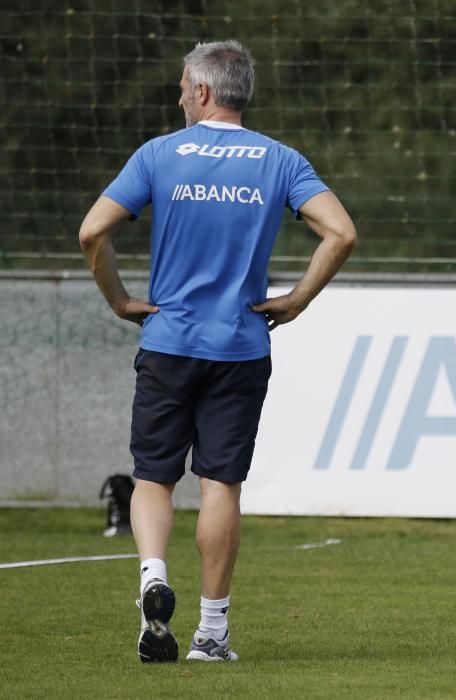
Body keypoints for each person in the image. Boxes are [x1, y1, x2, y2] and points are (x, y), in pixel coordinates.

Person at [78, 40, 356, 662]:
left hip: (169, 341)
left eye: (182, 87)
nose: (179, 96)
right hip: (239, 344)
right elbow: (341, 232)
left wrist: (121, 300)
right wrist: (298, 299)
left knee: (153, 476)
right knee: (220, 486)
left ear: (202, 91)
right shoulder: (280, 160)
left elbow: (92, 230)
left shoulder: (158, 155)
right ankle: (211, 633)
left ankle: (153, 578)